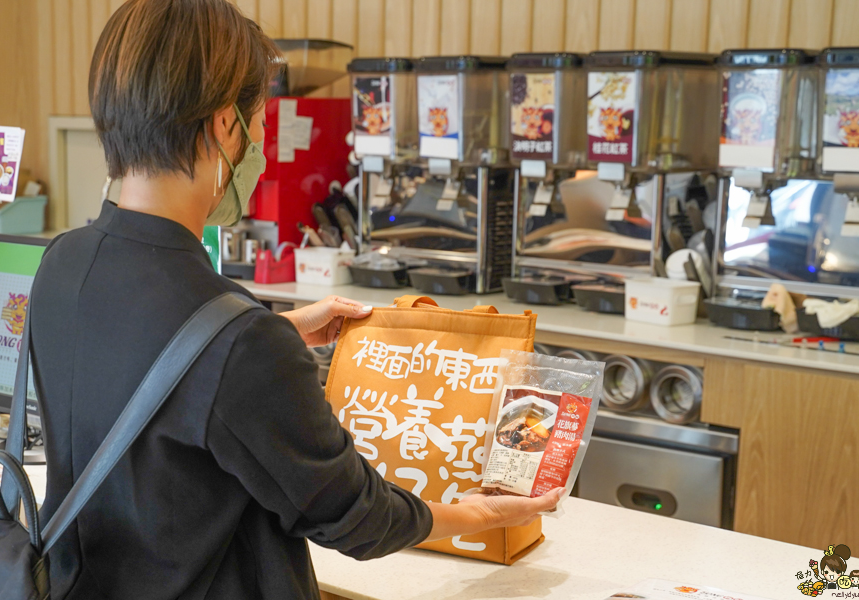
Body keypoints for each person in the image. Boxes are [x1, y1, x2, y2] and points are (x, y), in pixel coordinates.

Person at [29, 1, 559, 598]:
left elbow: (149, 360)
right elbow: (354, 516)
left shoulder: (61, 263)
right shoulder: (240, 343)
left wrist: (271, 331)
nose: (258, 142)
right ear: (226, 125)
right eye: (258, 122)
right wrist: (476, 515)